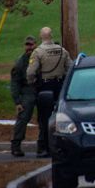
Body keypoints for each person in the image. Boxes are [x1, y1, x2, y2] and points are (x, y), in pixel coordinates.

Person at [27, 27, 71, 158]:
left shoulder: (38, 52)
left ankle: (45, 147)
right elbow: (70, 68)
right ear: (51, 36)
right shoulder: (62, 51)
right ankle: (61, 146)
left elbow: (30, 72)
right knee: (61, 116)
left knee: (45, 118)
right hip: (59, 85)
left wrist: (33, 83)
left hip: (45, 87)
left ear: (41, 36)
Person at [9, 35, 37, 157]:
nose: (29, 47)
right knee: (23, 118)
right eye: (27, 45)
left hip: (41, 91)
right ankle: (16, 146)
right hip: (27, 91)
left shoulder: (40, 58)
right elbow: (15, 83)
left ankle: (44, 146)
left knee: (46, 119)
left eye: (31, 44)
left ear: (35, 45)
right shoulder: (20, 62)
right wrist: (17, 101)